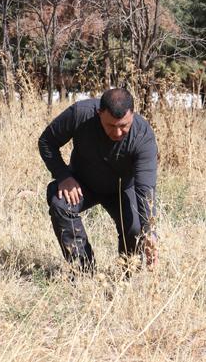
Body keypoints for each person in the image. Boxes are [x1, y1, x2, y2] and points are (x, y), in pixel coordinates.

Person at [38, 88, 158, 273]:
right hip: (83, 183)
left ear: (132, 115)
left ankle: (128, 273)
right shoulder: (80, 114)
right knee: (60, 203)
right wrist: (63, 176)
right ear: (99, 113)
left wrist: (149, 232)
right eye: (111, 126)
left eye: (124, 126)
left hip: (122, 189)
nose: (118, 133)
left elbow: (145, 188)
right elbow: (47, 141)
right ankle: (84, 271)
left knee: (136, 229)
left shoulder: (143, 136)